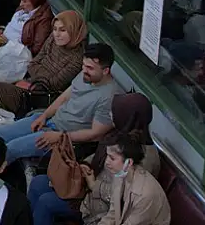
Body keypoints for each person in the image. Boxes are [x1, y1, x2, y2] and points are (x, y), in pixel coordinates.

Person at [0, 43, 125, 181]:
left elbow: (95, 134)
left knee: (10, 149)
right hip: (49, 122)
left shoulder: (109, 97)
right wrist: (44, 116)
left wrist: (59, 136)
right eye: (84, 66)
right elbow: (63, 98)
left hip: (63, 138)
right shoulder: (85, 76)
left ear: (106, 70)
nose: (84, 71)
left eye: (90, 68)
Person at [27, 94, 159, 225]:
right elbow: (99, 157)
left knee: (46, 203)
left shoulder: (144, 158)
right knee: (38, 183)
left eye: (115, 112)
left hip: (99, 207)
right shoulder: (120, 135)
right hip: (87, 187)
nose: (110, 115)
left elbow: (122, 196)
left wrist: (94, 184)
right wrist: (84, 166)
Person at [0, 11, 87, 115]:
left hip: (38, 98)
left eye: (62, 30)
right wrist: (39, 75)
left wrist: (36, 74)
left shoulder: (77, 58)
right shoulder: (52, 39)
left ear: (74, 31)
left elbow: (53, 84)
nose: (57, 34)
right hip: (29, 84)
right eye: (55, 29)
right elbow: (32, 64)